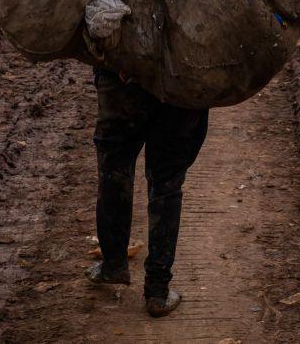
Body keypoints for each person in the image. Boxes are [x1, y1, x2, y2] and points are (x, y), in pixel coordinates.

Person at [85, 68, 208, 318]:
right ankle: (157, 291)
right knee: (167, 181)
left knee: (114, 168)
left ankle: (113, 265)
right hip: (182, 81)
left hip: (121, 77)